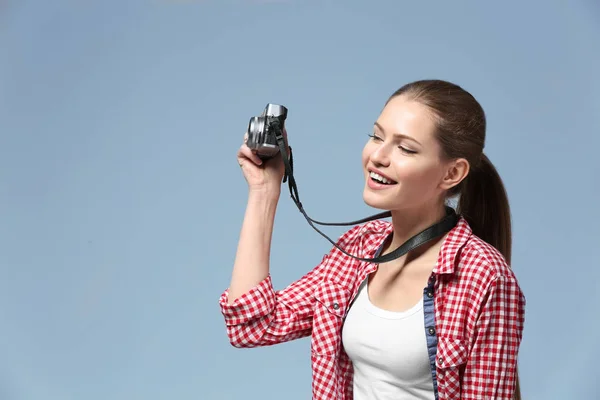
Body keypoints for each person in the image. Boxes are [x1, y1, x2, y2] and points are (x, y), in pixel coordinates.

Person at [218, 79, 526, 400]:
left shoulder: (484, 276)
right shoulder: (358, 247)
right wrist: (265, 190)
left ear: (451, 174)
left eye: (405, 148)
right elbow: (251, 325)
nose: (378, 156)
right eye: (376, 136)